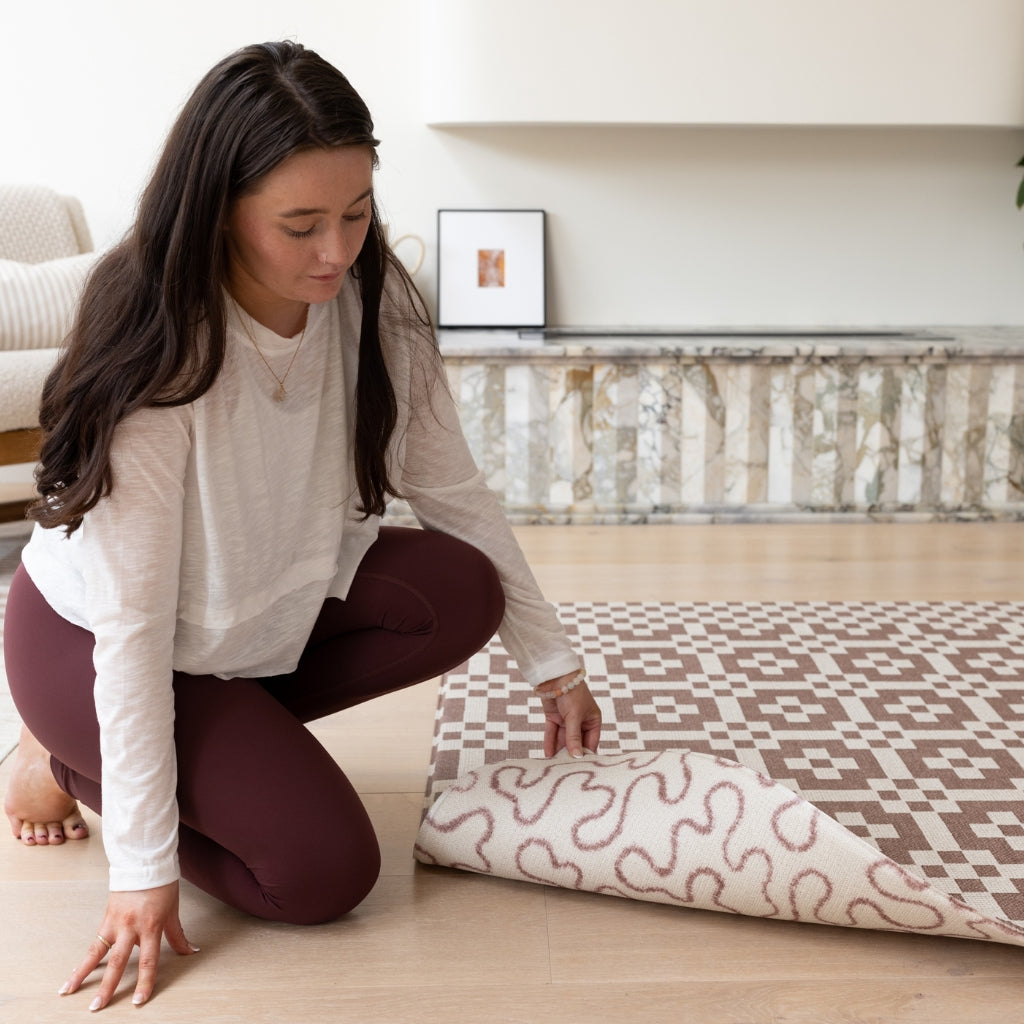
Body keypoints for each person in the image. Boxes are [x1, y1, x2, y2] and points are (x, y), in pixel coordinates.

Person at [2, 40, 603, 1012]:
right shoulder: (165, 355)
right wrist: (140, 868)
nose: (337, 250)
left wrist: (555, 663)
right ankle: (61, 756)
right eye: (300, 224)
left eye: (356, 213)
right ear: (218, 211)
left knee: (460, 589)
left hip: (243, 623)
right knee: (323, 875)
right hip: (93, 644)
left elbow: (453, 488)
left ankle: (222, 747)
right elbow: (134, 625)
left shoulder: (368, 303)